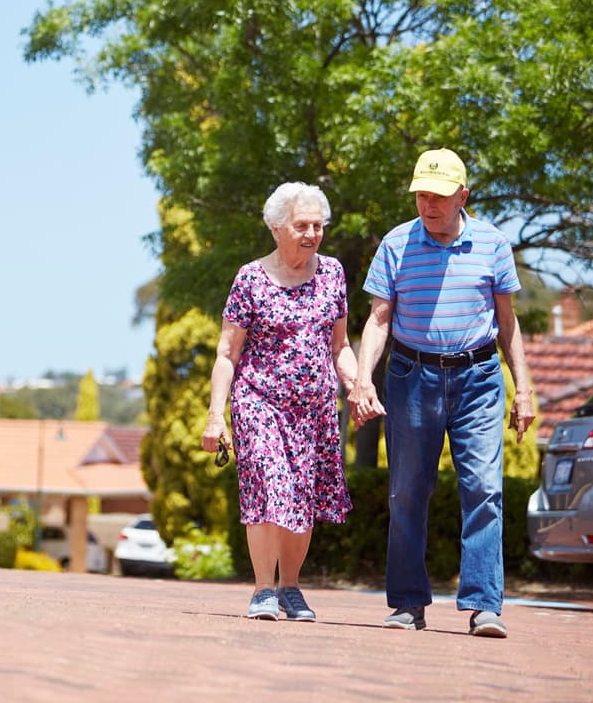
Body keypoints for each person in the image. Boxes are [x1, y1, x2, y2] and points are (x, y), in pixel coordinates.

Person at [348, 147, 535, 639]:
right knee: (407, 492)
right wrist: (365, 377)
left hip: (478, 379)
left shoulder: (493, 244)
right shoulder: (395, 244)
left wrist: (525, 390)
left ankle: (484, 605)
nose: (429, 205)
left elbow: (508, 323)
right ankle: (408, 604)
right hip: (412, 378)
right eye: (422, 195)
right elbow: (379, 319)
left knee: (485, 490)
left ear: (463, 196)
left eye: (439, 195)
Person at [201, 182, 359, 622]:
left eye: (317, 225)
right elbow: (227, 353)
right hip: (259, 400)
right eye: (301, 225)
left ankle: (290, 587)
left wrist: (358, 385)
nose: (311, 234)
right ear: (276, 228)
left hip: (315, 408)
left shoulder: (332, 274)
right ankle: (262, 589)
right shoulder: (251, 278)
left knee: (302, 497)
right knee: (271, 487)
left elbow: (340, 346)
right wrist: (217, 417)